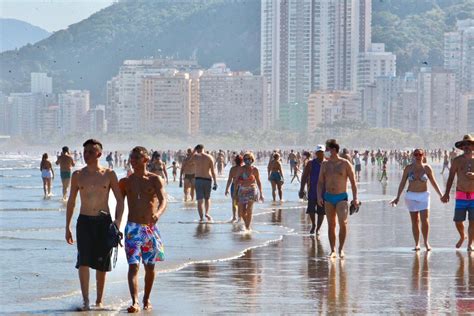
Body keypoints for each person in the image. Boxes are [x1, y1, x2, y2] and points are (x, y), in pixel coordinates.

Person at [65, 139, 124, 311]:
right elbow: (71, 202)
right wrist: (67, 226)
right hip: (84, 222)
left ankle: (99, 300)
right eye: (85, 151)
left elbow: (120, 200)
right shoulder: (77, 175)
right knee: (83, 261)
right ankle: (85, 300)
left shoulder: (109, 174)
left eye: (91, 151)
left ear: (99, 154)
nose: (87, 154)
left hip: (103, 222)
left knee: (101, 263)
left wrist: (118, 222)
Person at [119, 147, 167, 313]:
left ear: (146, 160)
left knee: (150, 267)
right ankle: (135, 302)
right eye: (131, 157)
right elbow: (119, 206)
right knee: (133, 266)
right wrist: (116, 224)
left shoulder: (155, 179)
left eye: (137, 158)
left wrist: (158, 214)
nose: (133, 160)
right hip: (132, 228)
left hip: (150, 229)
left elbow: (163, 200)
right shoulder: (126, 182)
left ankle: (146, 298)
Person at [390, 149, 443, 251]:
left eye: (420, 154)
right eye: (416, 154)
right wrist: (397, 197)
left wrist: (441, 195)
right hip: (411, 196)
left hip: (424, 196)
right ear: (413, 156)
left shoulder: (427, 168)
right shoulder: (408, 168)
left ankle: (426, 242)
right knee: (415, 221)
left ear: (423, 155)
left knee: (425, 220)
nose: (418, 156)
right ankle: (417, 243)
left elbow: (433, 182)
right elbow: (402, 183)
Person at [317, 139, 358, 259]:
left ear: (334, 150)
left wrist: (355, 198)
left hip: (341, 197)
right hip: (328, 197)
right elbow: (320, 182)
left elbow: (353, 182)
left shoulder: (345, 163)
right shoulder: (325, 164)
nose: (326, 152)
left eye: (327, 149)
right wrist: (319, 196)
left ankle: (341, 249)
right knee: (331, 225)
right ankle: (333, 250)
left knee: (343, 223)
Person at [441, 135, 474, 251]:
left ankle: (470, 244)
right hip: (461, 195)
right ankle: (462, 236)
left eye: (469, 144)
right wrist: (446, 194)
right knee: (458, 220)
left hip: (473, 195)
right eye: (465, 145)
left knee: (472, 221)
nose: (467, 147)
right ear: (462, 147)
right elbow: (450, 178)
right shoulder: (457, 161)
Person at [299, 145, 326, 235]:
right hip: (312, 190)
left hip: (324, 191)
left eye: (321, 152)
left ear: (324, 153)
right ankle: (313, 224)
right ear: (316, 153)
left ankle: (318, 228)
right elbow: (304, 176)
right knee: (311, 209)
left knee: (321, 211)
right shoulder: (311, 163)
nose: (320, 154)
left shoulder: (327, 163)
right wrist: (301, 189)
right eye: (318, 152)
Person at [188, 144, 217, 222]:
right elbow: (213, 172)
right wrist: (215, 182)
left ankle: (201, 218)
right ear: (203, 148)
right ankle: (207, 213)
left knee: (200, 200)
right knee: (207, 198)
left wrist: (193, 151)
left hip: (198, 179)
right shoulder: (210, 157)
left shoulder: (195, 157)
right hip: (208, 179)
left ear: (197, 149)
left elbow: (189, 162)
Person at [235, 152, 264, 231]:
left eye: (249, 159)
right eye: (246, 159)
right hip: (242, 191)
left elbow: (258, 182)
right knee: (242, 211)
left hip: (252, 190)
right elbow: (236, 181)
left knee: (249, 209)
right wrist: (235, 194)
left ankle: (247, 228)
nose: (247, 160)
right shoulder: (241, 169)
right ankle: (247, 225)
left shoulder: (255, 170)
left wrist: (261, 193)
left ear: (252, 160)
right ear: (244, 160)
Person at [225, 155, 243, 222]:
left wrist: (226, 189)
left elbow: (229, 179)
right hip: (242, 186)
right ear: (242, 161)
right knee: (240, 202)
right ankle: (240, 217)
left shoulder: (232, 169)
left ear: (235, 161)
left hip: (234, 185)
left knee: (234, 202)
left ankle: (234, 217)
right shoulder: (243, 168)